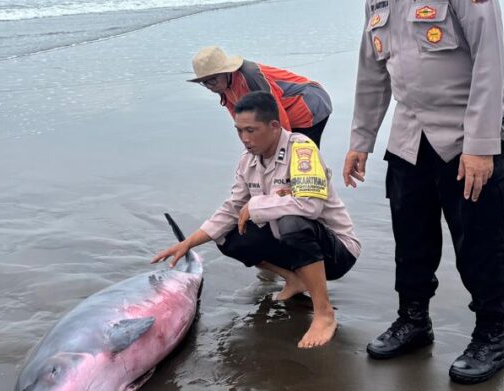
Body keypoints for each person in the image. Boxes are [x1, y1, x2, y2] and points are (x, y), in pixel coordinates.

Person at [335, 0, 504, 384]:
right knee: (411, 240)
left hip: (465, 139)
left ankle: (491, 337)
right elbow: (373, 72)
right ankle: (414, 320)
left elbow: (489, 61)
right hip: (410, 138)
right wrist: (361, 140)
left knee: (479, 245)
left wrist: (482, 146)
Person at [153, 91, 360, 348]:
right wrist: (188, 243)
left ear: (274, 126)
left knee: (292, 222)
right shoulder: (247, 160)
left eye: (251, 130)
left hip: (336, 253)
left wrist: (256, 204)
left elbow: (311, 206)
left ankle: (324, 314)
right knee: (226, 237)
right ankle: (295, 278)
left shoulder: (302, 149)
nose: (244, 138)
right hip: (292, 245)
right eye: (239, 131)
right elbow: (232, 208)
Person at [189, 46, 333, 146]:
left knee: (301, 157)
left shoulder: (250, 76)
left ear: (225, 71)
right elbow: (240, 120)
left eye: (212, 80)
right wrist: (250, 144)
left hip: (309, 101)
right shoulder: (222, 85)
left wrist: (284, 148)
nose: (210, 86)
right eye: (204, 82)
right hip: (286, 108)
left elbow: (276, 113)